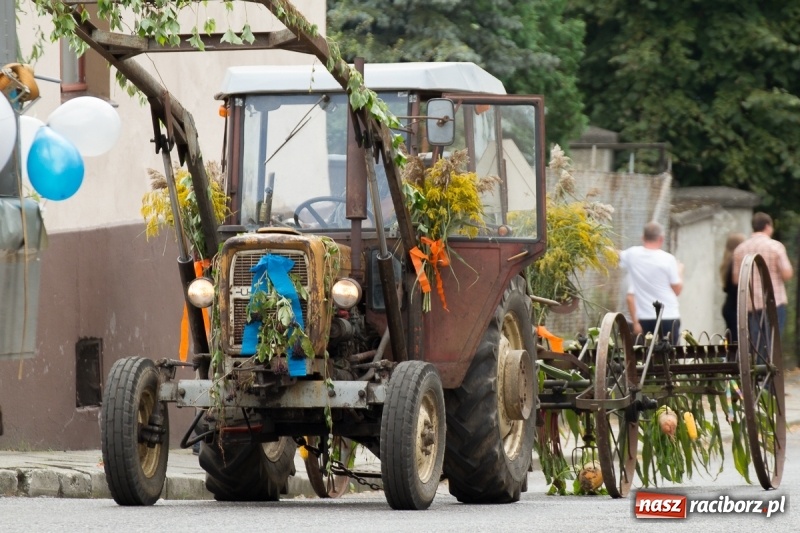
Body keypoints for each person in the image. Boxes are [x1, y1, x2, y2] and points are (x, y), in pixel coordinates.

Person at [620, 221, 684, 340]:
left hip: (644, 317)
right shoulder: (668, 259)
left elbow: (613, 254)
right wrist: (679, 271)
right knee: (670, 350)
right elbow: (677, 290)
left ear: (643, 238)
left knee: (646, 350)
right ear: (661, 239)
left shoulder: (632, 254)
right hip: (668, 316)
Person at [732, 212, 794, 334]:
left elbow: (735, 279)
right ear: (767, 226)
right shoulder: (776, 247)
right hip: (774, 301)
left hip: (751, 304)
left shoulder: (740, 249)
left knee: (756, 341)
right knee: (773, 341)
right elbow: (787, 273)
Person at [720, 232, 745, 341]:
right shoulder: (735, 264)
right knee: (735, 341)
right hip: (735, 308)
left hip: (729, 306)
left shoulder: (727, 263)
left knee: (731, 339)